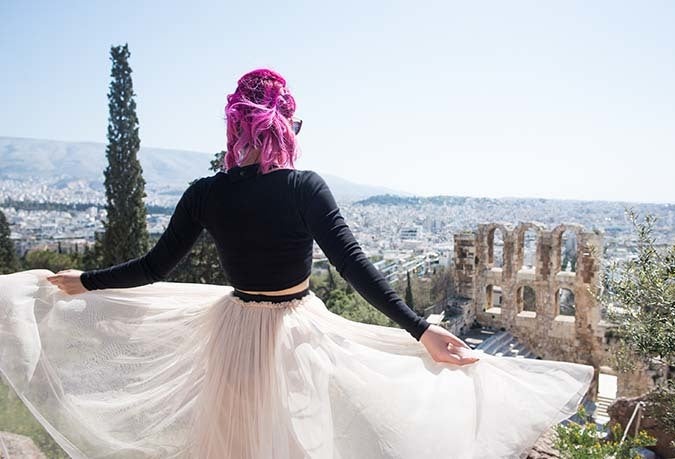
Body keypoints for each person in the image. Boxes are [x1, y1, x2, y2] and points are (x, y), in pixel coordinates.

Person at [0, 68, 594, 459]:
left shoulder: (204, 193)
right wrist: (421, 328)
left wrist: (85, 282)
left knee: (234, 441)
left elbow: (154, 267)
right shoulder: (303, 187)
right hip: (296, 331)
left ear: (236, 125)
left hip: (232, 332)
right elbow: (355, 266)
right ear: (286, 123)